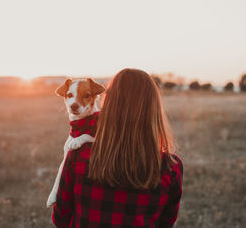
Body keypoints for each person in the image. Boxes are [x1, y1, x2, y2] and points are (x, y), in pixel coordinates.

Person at [52, 68, 183, 227]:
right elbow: (166, 223)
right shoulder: (171, 167)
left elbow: (61, 219)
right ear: (154, 109)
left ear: (108, 103)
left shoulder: (78, 155)